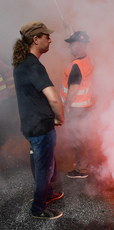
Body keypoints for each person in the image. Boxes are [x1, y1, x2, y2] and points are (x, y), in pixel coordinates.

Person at [12, 21, 65, 219]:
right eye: (47, 36)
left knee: (45, 164)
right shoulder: (33, 66)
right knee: (45, 168)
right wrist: (60, 117)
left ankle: (47, 194)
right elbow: (53, 97)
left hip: (32, 125)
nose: (50, 40)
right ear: (36, 39)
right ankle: (38, 208)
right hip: (40, 127)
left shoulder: (23, 63)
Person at [60, 31, 93, 178]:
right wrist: (70, 29)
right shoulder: (85, 60)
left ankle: (82, 169)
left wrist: (66, 106)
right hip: (84, 106)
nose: (69, 48)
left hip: (76, 108)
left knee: (77, 138)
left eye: (71, 44)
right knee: (82, 137)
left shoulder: (76, 66)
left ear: (80, 45)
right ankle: (83, 165)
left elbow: (73, 90)